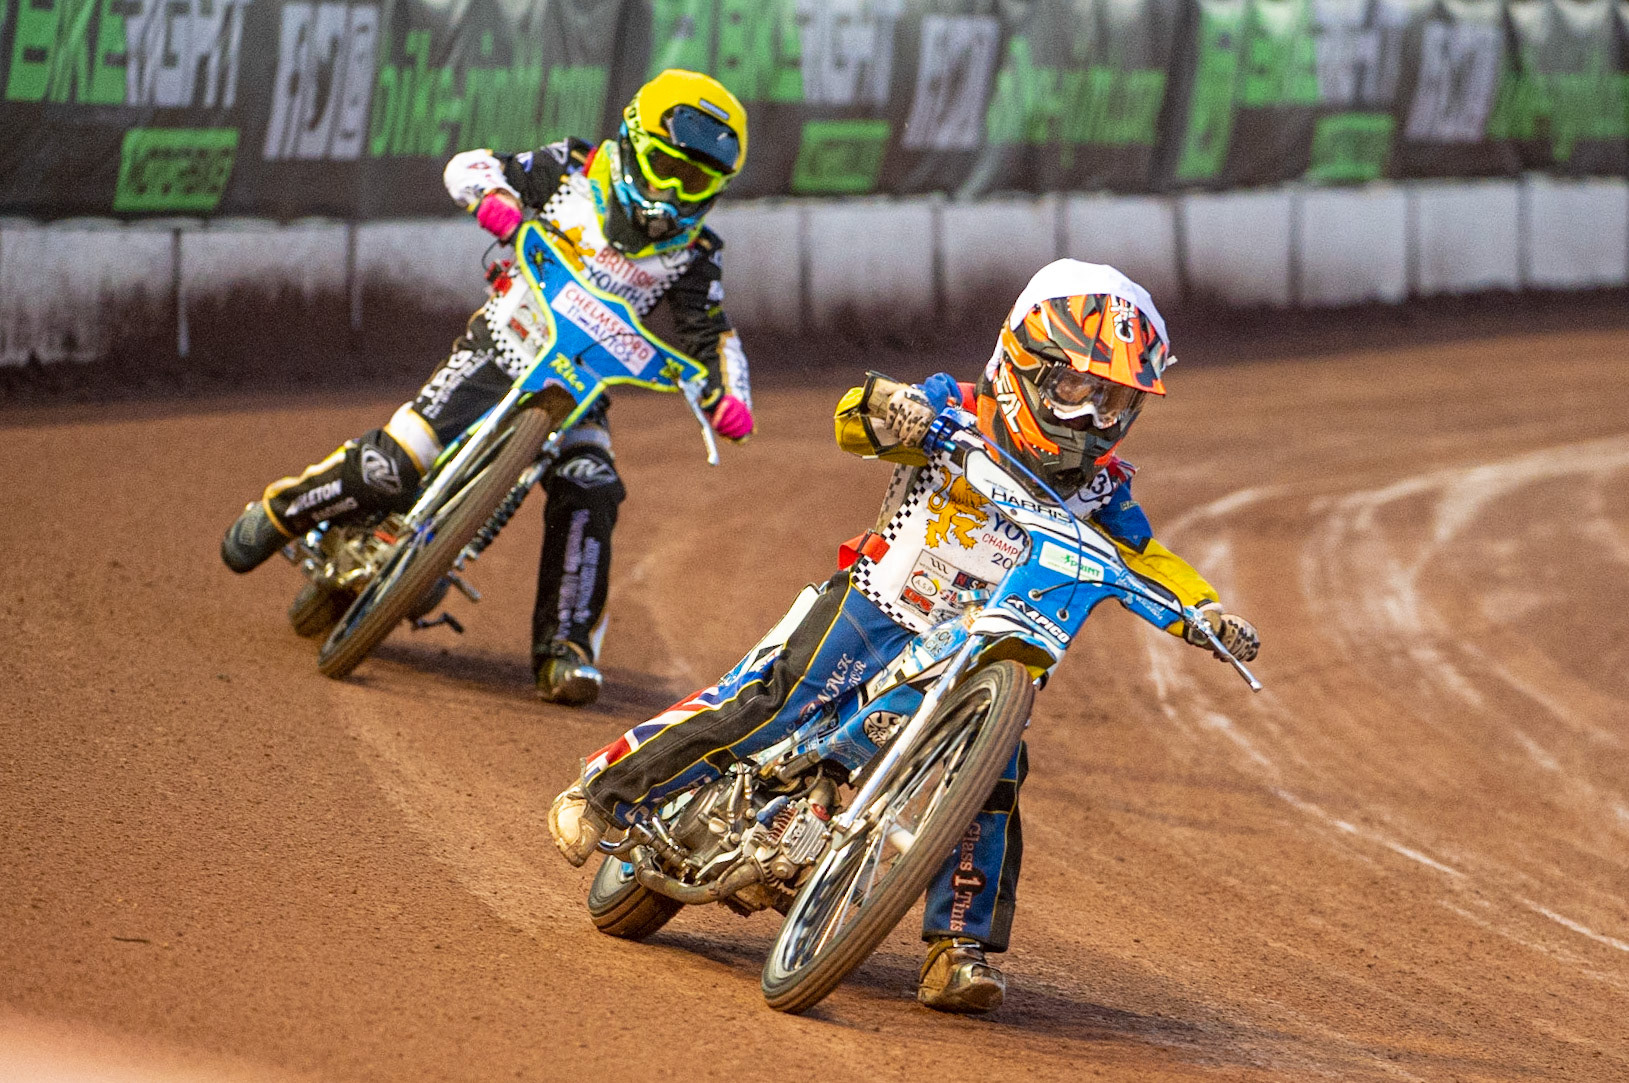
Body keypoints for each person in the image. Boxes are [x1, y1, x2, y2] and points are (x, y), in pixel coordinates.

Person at [547, 259, 1261, 1012]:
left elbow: (1148, 557)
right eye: (1077, 389)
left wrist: (1203, 611)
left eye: (1115, 401)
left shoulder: (1102, 487)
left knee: (993, 776)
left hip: (978, 657)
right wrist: (891, 409)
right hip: (873, 608)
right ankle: (604, 789)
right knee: (769, 697)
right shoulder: (958, 406)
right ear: (1025, 362)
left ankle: (957, 949)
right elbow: (858, 416)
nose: (1093, 418)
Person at [220, 69, 756, 705]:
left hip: (582, 387)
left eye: (698, 182)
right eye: (671, 169)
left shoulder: (697, 253)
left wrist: (730, 395)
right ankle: (287, 508)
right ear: (637, 143)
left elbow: (713, 333)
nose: (676, 191)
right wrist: (494, 197)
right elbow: (471, 165)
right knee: (396, 463)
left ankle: (566, 647)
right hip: (504, 345)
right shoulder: (574, 167)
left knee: (593, 486)